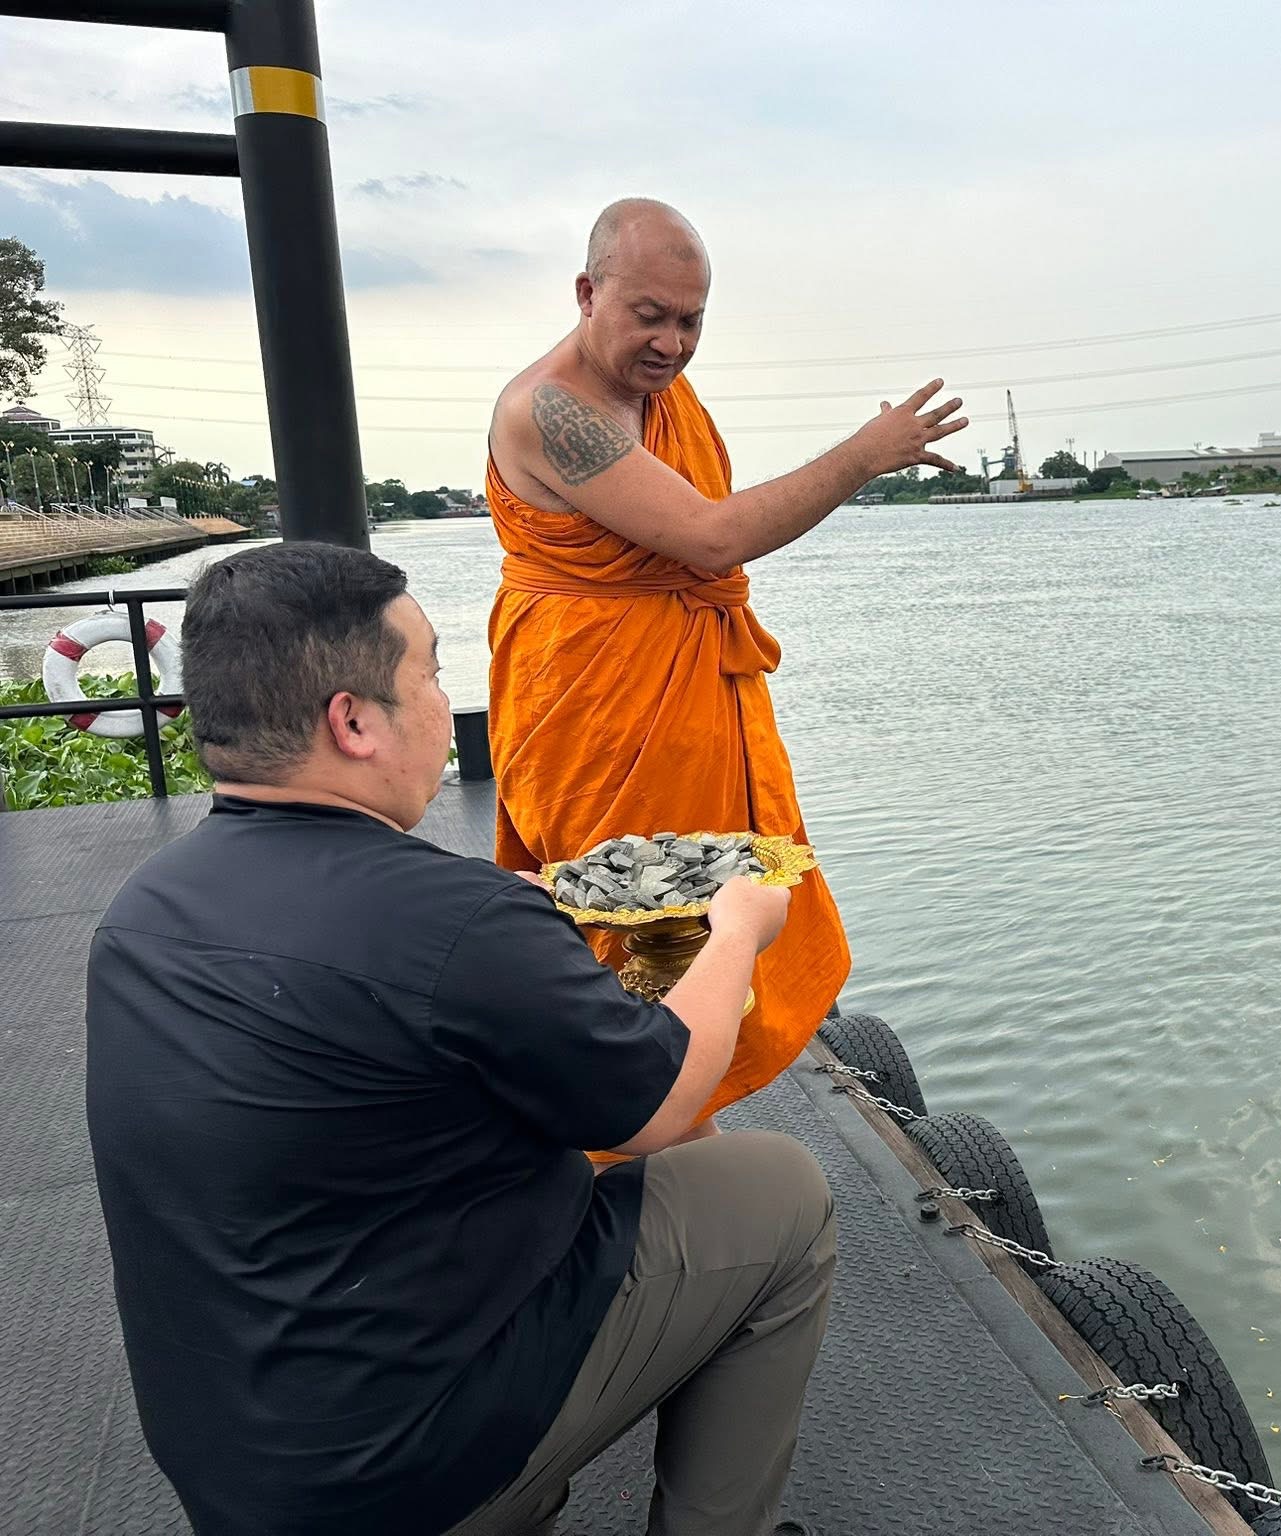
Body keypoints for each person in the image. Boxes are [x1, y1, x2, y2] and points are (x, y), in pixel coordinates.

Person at [86, 543, 835, 1536]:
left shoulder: (145, 909)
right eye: (431, 671)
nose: (447, 702)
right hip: (394, 1480)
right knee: (776, 1189)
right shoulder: (454, 925)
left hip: (239, 1462)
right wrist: (736, 927)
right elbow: (658, 1102)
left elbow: (394, 973)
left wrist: (545, 908)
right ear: (352, 721)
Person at [484, 198, 967, 1138]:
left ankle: (676, 1118)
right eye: (649, 314)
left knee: (702, 913)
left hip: (681, 686)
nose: (671, 342)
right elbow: (711, 537)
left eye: (691, 320)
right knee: (625, 917)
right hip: (593, 700)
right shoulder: (549, 408)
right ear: (588, 294)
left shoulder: (657, 399)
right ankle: (620, 1150)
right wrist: (867, 454)